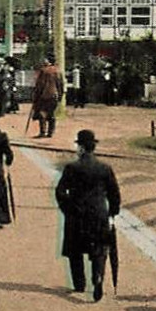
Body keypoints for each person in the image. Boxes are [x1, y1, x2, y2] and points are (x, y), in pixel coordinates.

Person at [55, 129, 120, 301]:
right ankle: (97, 276)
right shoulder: (105, 168)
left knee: (75, 250)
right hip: (99, 213)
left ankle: (79, 283)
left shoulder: (72, 168)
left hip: (77, 214)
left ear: (82, 148)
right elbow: (114, 194)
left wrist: (67, 208)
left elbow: (60, 191)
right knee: (99, 249)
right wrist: (112, 213)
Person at [31, 58, 63, 139]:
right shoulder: (58, 71)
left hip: (44, 95)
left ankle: (43, 132)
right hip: (54, 95)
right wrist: (60, 95)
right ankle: (50, 132)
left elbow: (40, 85)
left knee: (42, 114)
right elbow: (61, 84)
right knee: (51, 114)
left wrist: (35, 96)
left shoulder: (43, 71)